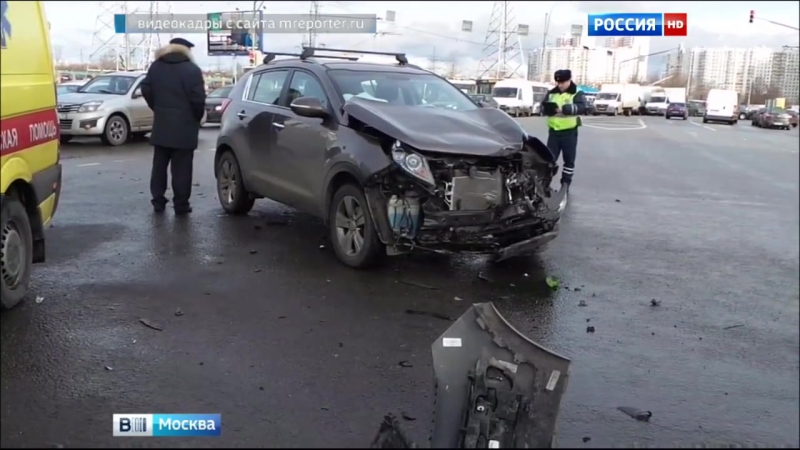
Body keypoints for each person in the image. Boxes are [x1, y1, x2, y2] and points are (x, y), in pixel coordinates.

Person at [140, 37, 206, 215]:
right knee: (182, 169)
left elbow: (145, 88)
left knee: (159, 166)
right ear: (186, 51)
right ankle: (181, 205)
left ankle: (158, 202)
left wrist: (158, 107)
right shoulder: (192, 70)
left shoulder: (156, 67)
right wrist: (195, 117)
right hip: (185, 126)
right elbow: (198, 99)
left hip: (162, 123)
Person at [543, 69, 587, 191]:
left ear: (569, 80)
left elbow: (584, 107)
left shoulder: (577, 92)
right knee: (549, 160)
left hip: (569, 132)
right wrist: (546, 109)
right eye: (558, 82)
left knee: (569, 160)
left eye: (562, 82)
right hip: (554, 132)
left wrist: (566, 109)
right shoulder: (552, 93)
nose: (560, 85)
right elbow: (544, 106)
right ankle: (545, 184)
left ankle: (565, 184)